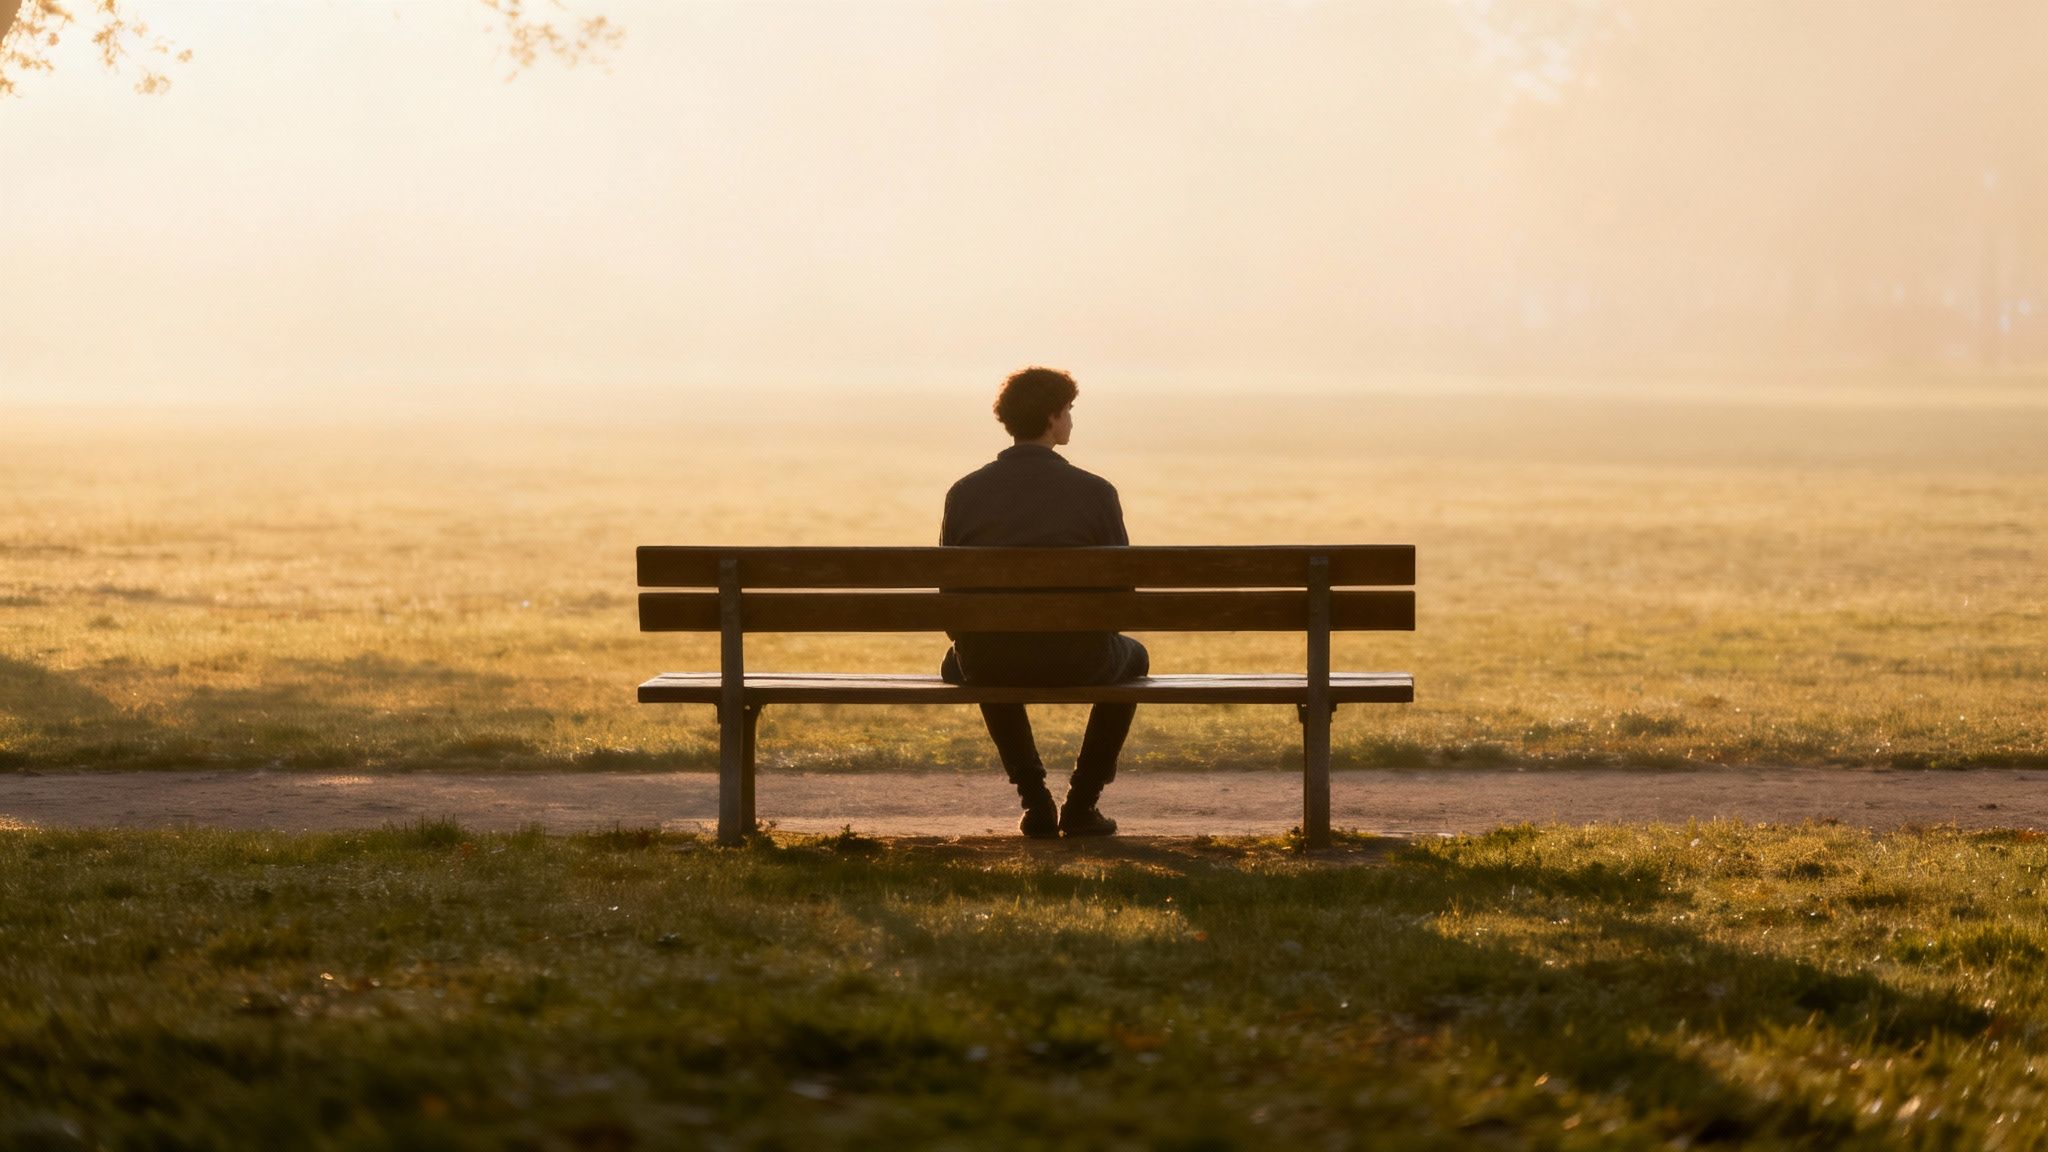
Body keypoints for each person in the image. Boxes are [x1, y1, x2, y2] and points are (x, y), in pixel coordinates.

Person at [939, 367, 1149, 839]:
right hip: (1080, 658)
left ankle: (1035, 800)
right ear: (1052, 418)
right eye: (1069, 411)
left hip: (992, 659)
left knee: (974, 658)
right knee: (1136, 658)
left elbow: (951, 602)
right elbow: (1122, 597)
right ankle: (1082, 804)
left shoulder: (965, 491)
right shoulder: (1096, 492)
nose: (1071, 420)